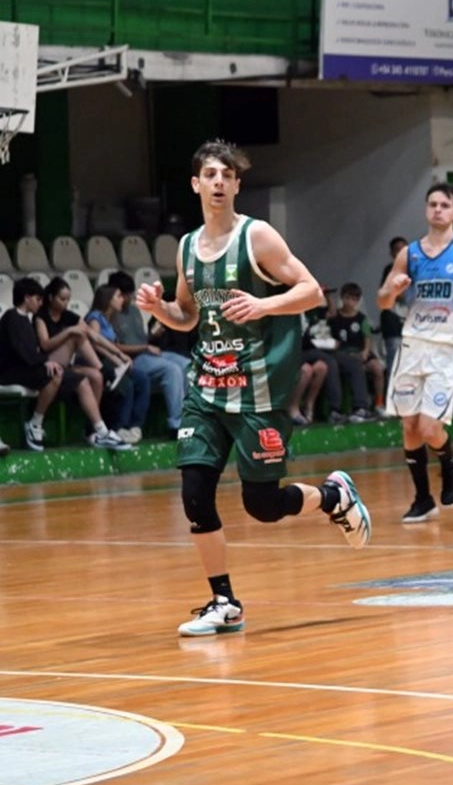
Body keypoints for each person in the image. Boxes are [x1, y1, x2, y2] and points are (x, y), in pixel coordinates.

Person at [135, 139, 372, 637]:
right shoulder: (186, 247)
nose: (219, 182)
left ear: (238, 184)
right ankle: (224, 601)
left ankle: (333, 496)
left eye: (227, 175)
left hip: (258, 388)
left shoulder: (257, 236)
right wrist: (159, 310)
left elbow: (310, 290)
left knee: (261, 505)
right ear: (196, 184)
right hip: (206, 386)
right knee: (195, 493)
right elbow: (188, 316)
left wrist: (264, 305)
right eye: (210, 174)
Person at [379, 183, 453, 522]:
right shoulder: (409, 254)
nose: (438, 210)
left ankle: (448, 461)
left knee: (429, 428)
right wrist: (391, 290)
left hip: (446, 347)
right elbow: (383, 301)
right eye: (432, 204)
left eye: (444, 205)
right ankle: (423, 499)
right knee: (409, 426)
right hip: (412, 344)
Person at [0, 277, 129, 451]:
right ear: (27, 298)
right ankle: (35, 424)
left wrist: (43, 362)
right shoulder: (12, 317)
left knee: (81, 380)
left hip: (31, 366)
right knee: (55, 374)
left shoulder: (26, 319)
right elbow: (22, 351)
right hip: (11, 371)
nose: (40, 303)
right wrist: (45, 361)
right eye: (37, 299)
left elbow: (31, 352)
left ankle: (101, 431)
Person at [107, 270, 190, 438]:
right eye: (125, 295)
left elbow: (142, 339)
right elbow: (114, 347)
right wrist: (145, 347)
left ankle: (190, 419)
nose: (129, 298)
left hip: (147, 352)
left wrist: (152, 336)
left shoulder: (134, 310)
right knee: (172, 369)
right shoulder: (111, 315)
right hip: (133, 359)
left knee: (186, 364)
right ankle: (176, 424)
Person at [86, 285, 152, 443]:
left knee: (142, 379)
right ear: (108, 300)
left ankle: (135, 426)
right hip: (98, 361)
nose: (122, 299)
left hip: (114, 361)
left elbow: (113, 345)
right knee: (126, 384)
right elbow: (94, 344)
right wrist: (116, 359)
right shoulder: (95, 317)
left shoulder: (109, 320)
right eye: (118, 296)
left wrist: (120, 359)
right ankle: (119, 427)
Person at [34, 276, 109, 404]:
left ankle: (94, 415)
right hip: (48, 363)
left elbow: (93, 335)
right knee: (76, 334)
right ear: (51, 297)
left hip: (66, 363)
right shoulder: (41, 317)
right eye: (62, 299)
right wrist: (68, 331)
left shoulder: (68, 315)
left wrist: (118, 355)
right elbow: (45, 345)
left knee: (97, 376)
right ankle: (103, 369)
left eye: (68, 300)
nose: (66, 303)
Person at [329, 282, 386, 413]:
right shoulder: (334, 318)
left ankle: (379, 403)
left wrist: (365, 352)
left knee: (378, 368)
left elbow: (367, 337)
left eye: (354, 299)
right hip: (344, 353)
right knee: (354, 366)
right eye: (348, 298)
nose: (350, 302)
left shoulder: (361, 319)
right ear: (342, 298)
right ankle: (355, 405)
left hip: (360, 351)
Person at [379, 236, 408, 374]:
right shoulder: (390, 271)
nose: (401, 252)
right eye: (397, 250)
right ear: (392, 253)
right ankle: (391, 386)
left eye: (404, 249)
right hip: (393, 318)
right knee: (394, 355)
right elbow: (393, 294)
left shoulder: (416, 269)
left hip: (411, 319)